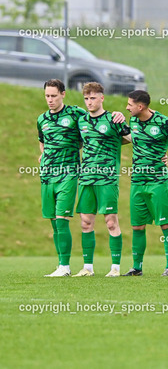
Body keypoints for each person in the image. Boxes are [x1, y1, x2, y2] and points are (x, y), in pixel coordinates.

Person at [123, 90, 168, 276]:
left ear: (140, 106)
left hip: (158, 182)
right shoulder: (133, 120)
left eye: (130, 104)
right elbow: (131, 138)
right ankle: (136, 267)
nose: (127, 107)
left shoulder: (163, 122)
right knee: (137, 226)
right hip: (137, 181)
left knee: (166, 224)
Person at [73, 82, 131, 277]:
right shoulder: (81, 121)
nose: (89, 102)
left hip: (107, 178)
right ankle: (87, 268)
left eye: (93, 98)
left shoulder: (114, 119)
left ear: (102, 98)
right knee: (85, 223)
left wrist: (159, 155)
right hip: (86, 178)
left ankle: (115, 267)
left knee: (111, 222)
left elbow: (135, 139)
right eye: (86, 99)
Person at [38, 79, 85, 277]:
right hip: (47, 175)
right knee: (53, 221)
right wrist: (43, 155)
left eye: (54, 96)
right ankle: (60, 265)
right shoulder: (42, 119)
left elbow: (95, 126)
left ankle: (65, 266)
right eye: (47, 96)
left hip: (68, 173)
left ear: (63, 94)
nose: (50, 100)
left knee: (62, 219)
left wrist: (116, 116)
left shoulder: (76, 113)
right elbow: (42, 141)